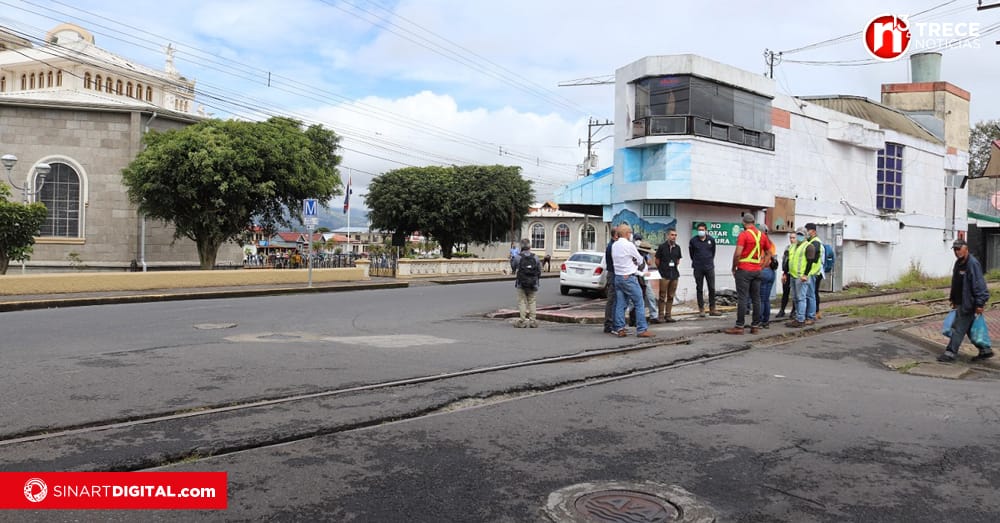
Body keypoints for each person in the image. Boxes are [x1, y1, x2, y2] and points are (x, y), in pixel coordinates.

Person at [938, 238, 991, 362]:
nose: (957, 252)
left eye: (959, 249)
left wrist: (980, 303)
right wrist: (953, 298)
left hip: (969, 304)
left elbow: (980, 285)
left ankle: (950, 353)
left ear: (966, 248)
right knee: (968, 328)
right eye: (955, 249)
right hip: (961, 302)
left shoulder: (972, 264)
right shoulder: (958, 263)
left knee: (958, 328)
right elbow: (956, 283)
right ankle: (985, 350)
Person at [726, 214, 773, 335]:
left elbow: (738, 254)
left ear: (744, 222)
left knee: (743, 298)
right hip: (757, 270)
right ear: (753, 222)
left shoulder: (744, 235)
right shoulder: (762, 236)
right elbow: (769, 253)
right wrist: (761, 266)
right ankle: (755, 326)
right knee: (756, 298)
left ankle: (739, 326)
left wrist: (734, 267)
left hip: (744, 269)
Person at [611, 224, 655, 338]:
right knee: (639, 302)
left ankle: (620, 328)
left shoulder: (614, 245)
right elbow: (640, 260)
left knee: (620, 304)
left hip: (618, 277)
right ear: (627, 234)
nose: (631, 235)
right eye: (630, 233)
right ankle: (642, 329)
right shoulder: (629, 245)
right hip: (629, 278)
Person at [786, 226, 821, 328]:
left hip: (802, 276)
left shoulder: (809, 246)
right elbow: (790, 260)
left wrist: (805, 274)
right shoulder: (793, 246)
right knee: (796, 298)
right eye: (798, 234)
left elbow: (810, 261)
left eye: (801, 234)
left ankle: (801, 318)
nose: (799, 236)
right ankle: (798, 317)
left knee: (801, 298)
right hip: (793, 275)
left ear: (805, 236)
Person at [689, 222, 721, 317]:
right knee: (699, 288)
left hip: (709, 267)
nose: (701, 232)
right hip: (698, 267)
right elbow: (691, 254)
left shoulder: (711, 240)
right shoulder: (693, 241)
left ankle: (712, 309)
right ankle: (701, 309)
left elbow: (713, 252)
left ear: (706, 230)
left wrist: (708, 261)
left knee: (712, 288)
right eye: (699, 230)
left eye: (702, 230)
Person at [510, 239, 541, 328]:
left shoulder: (518, 257)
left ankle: (522, 321)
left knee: (522, 302)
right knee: (532, 301)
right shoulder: (535, 257)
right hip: (533, 283)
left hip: (521, 283)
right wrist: (536, 280)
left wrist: (512, 259)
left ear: (521, 247)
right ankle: (533, 321)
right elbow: (539, 270)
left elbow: (513, 267)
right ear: (529, 246)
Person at [655, 228, 682, 322]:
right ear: (668, 236)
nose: (673, 237)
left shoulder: (677, 248)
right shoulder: (662, 247)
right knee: (662, 296)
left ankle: (668, 315)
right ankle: (661, 316)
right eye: (672, 235)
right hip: (664, 274)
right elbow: (657, 260)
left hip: (674, 274)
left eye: (675, 235)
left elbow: (678, 261)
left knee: (671, 296)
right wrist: (662, 269)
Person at [635, 235, 660, 324]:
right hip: (638, 279)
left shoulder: (645, 257)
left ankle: (653, 316)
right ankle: (635, 318)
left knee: (651, 296)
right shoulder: (637, 257)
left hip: (645, 279)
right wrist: (642, 273)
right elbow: (635, 270)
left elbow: (649, 263)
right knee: (637, 300)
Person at [758, 224, 778, 328]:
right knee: (766, 299)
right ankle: (766, 321)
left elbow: (762, 258)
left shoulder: (761, 243)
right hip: (771, 273)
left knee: (761, 298)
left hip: (764, 271)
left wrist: (759, 268)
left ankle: (760, 320)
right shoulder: (771, 244)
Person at [775, 231, 798, 318]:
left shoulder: (798, 248)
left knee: (795, 293)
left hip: (795, 274)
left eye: (793, 238)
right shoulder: (787, 248)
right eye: (790, 238)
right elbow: (784, 261)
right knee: (785, 292)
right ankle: (782, 310)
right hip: (788, 273)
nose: (792, 240)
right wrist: (784, 273)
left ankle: (793, 311)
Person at [805, 223, 825, 320]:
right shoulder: (811, 241)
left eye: (807, 230)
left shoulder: (815, 242)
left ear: (813, 231)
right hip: (812, 272)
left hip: (813, 272)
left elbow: (812, 258)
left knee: (811, 294)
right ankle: (811, 313)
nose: (806, 232)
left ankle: (812, 314)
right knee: (811, 294)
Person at [603, 228, 620, 334]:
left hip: (614, 274)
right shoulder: (612, 246)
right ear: (616, 236)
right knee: (612, 300)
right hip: (613, 274)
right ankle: (609, 324)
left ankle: (614, 323)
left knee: (616, 300)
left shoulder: (613, 245)